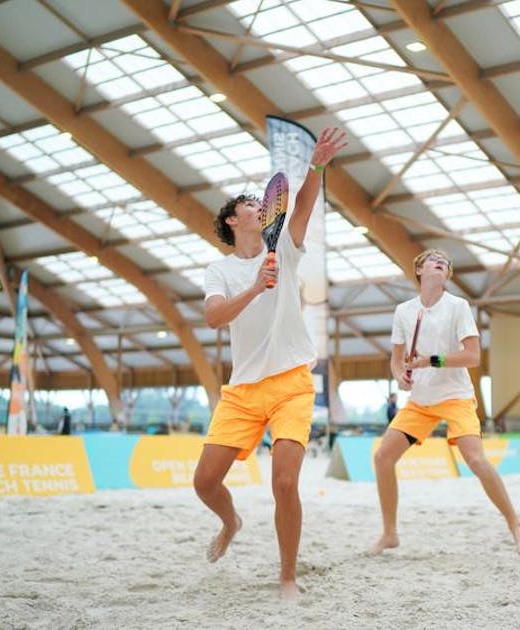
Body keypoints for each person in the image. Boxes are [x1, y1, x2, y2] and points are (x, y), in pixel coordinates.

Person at [195, 127, 347, 601]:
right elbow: (216, 318)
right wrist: (255, 286)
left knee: (284, 482)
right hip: (242, 390)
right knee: (204, 483)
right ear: (231, 221)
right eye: (248, 204)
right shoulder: (219, 269)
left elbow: (301, 205)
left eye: (260, 204)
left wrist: (317, 165)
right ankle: (231, 521)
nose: (258, 206)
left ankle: (287, 578)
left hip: (291, 384)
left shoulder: (285, 249)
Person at [368, 249, 520, 557]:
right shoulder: (404, 311)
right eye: (433, 258)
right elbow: (396, 359)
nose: (441, 260)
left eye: (446, 260)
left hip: (455, 396)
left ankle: (515, 525)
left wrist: (431, 360)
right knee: (382, 458)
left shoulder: (458, 306)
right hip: (420, 401)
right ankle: (389, 534)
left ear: (448, 275)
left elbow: (472, 356)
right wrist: (400, 376)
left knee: (476, 460)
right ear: (419, 269)